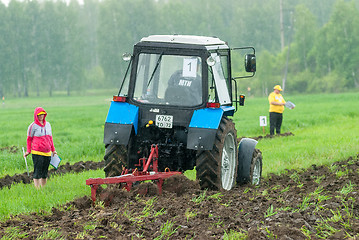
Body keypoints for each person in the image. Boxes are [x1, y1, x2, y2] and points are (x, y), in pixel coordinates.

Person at [24, 107, 57, 189]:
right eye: (39, 115)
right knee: (37, 171)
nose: (41, 116)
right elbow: (29, 139)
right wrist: (28, 150)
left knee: (45, 172)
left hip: (47, 152)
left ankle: (43, 189)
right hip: (37, 152)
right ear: (36, 116)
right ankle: (37, 190)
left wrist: (53, 150)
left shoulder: (48, 125)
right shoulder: (32, 126)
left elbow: (50, 138)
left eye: (42, 114)